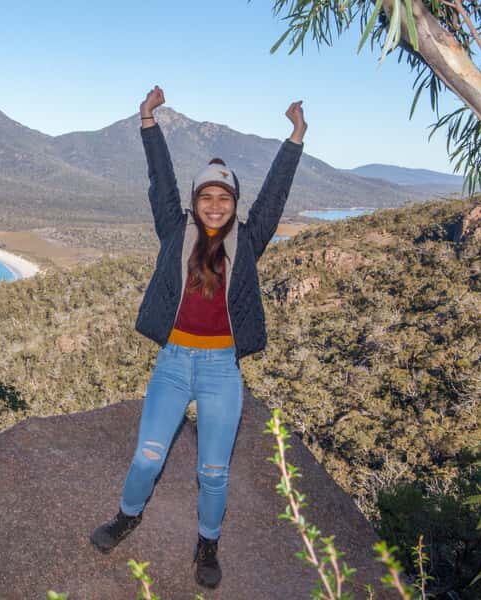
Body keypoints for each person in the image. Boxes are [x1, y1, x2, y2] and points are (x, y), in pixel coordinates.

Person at [89, 85, 306, 590]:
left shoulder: (249, 241)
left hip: (220, 369)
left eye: (223, 197)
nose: (214, 205)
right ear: (195, 202)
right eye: (205, 196)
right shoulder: (174, 229)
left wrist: (295, 136)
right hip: (173, 361)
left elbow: (275, 194)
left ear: (233, 204)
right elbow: (159, 180)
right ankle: (127, 515)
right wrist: (147, 121)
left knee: (213, 469)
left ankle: (208, 542)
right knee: (148, 453)